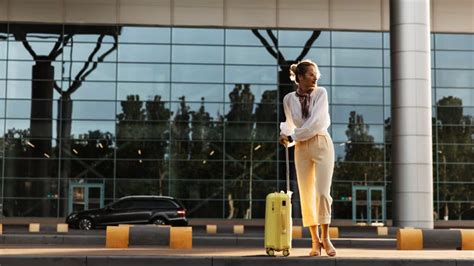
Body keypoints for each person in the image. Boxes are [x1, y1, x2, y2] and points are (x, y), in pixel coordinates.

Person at [279, 59, 336, 257]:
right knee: (306, 194)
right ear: (300, 77)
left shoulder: (321, 93)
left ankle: (326, 238)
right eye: (311, 74)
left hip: (321, 143)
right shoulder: (288, 99)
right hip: (301, 148)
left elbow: (316, 122)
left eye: (316, 74)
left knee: (322, 193)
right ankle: (315, 242)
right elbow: (288, 123)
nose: (315, 77)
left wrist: (293, 136)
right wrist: (285, 134)